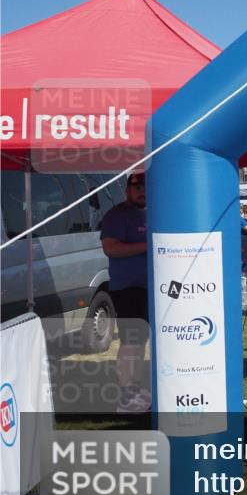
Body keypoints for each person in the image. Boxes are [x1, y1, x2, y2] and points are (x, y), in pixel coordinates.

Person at [100, 171, 150, 413]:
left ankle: (136, 389)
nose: (142, 191)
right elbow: (111, 249)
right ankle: (125, 397)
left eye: (146, 187)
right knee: (130, 342)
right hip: (127, 288)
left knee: (140, 341)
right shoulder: (117, 215)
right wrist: (148, 245)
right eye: (137, 186)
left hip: (149, 288)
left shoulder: (152, 212)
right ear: (127, 189)